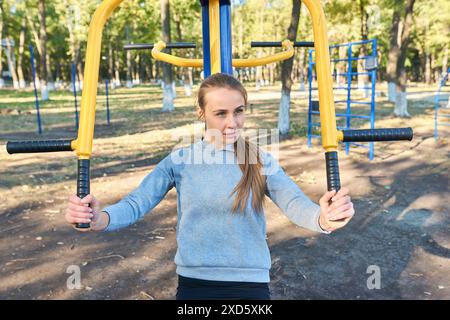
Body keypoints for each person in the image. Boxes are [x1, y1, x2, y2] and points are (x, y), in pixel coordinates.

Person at [65, 73, 355, 300]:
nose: (233, 123)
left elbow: (294, 204)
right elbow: (137, 202)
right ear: (201, 113)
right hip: (195, 283)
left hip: (250, 284)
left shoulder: (260, 159)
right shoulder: (181, 160)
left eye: (239, 111)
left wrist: (324, 217)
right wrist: (99, 219)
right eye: (221, 113)